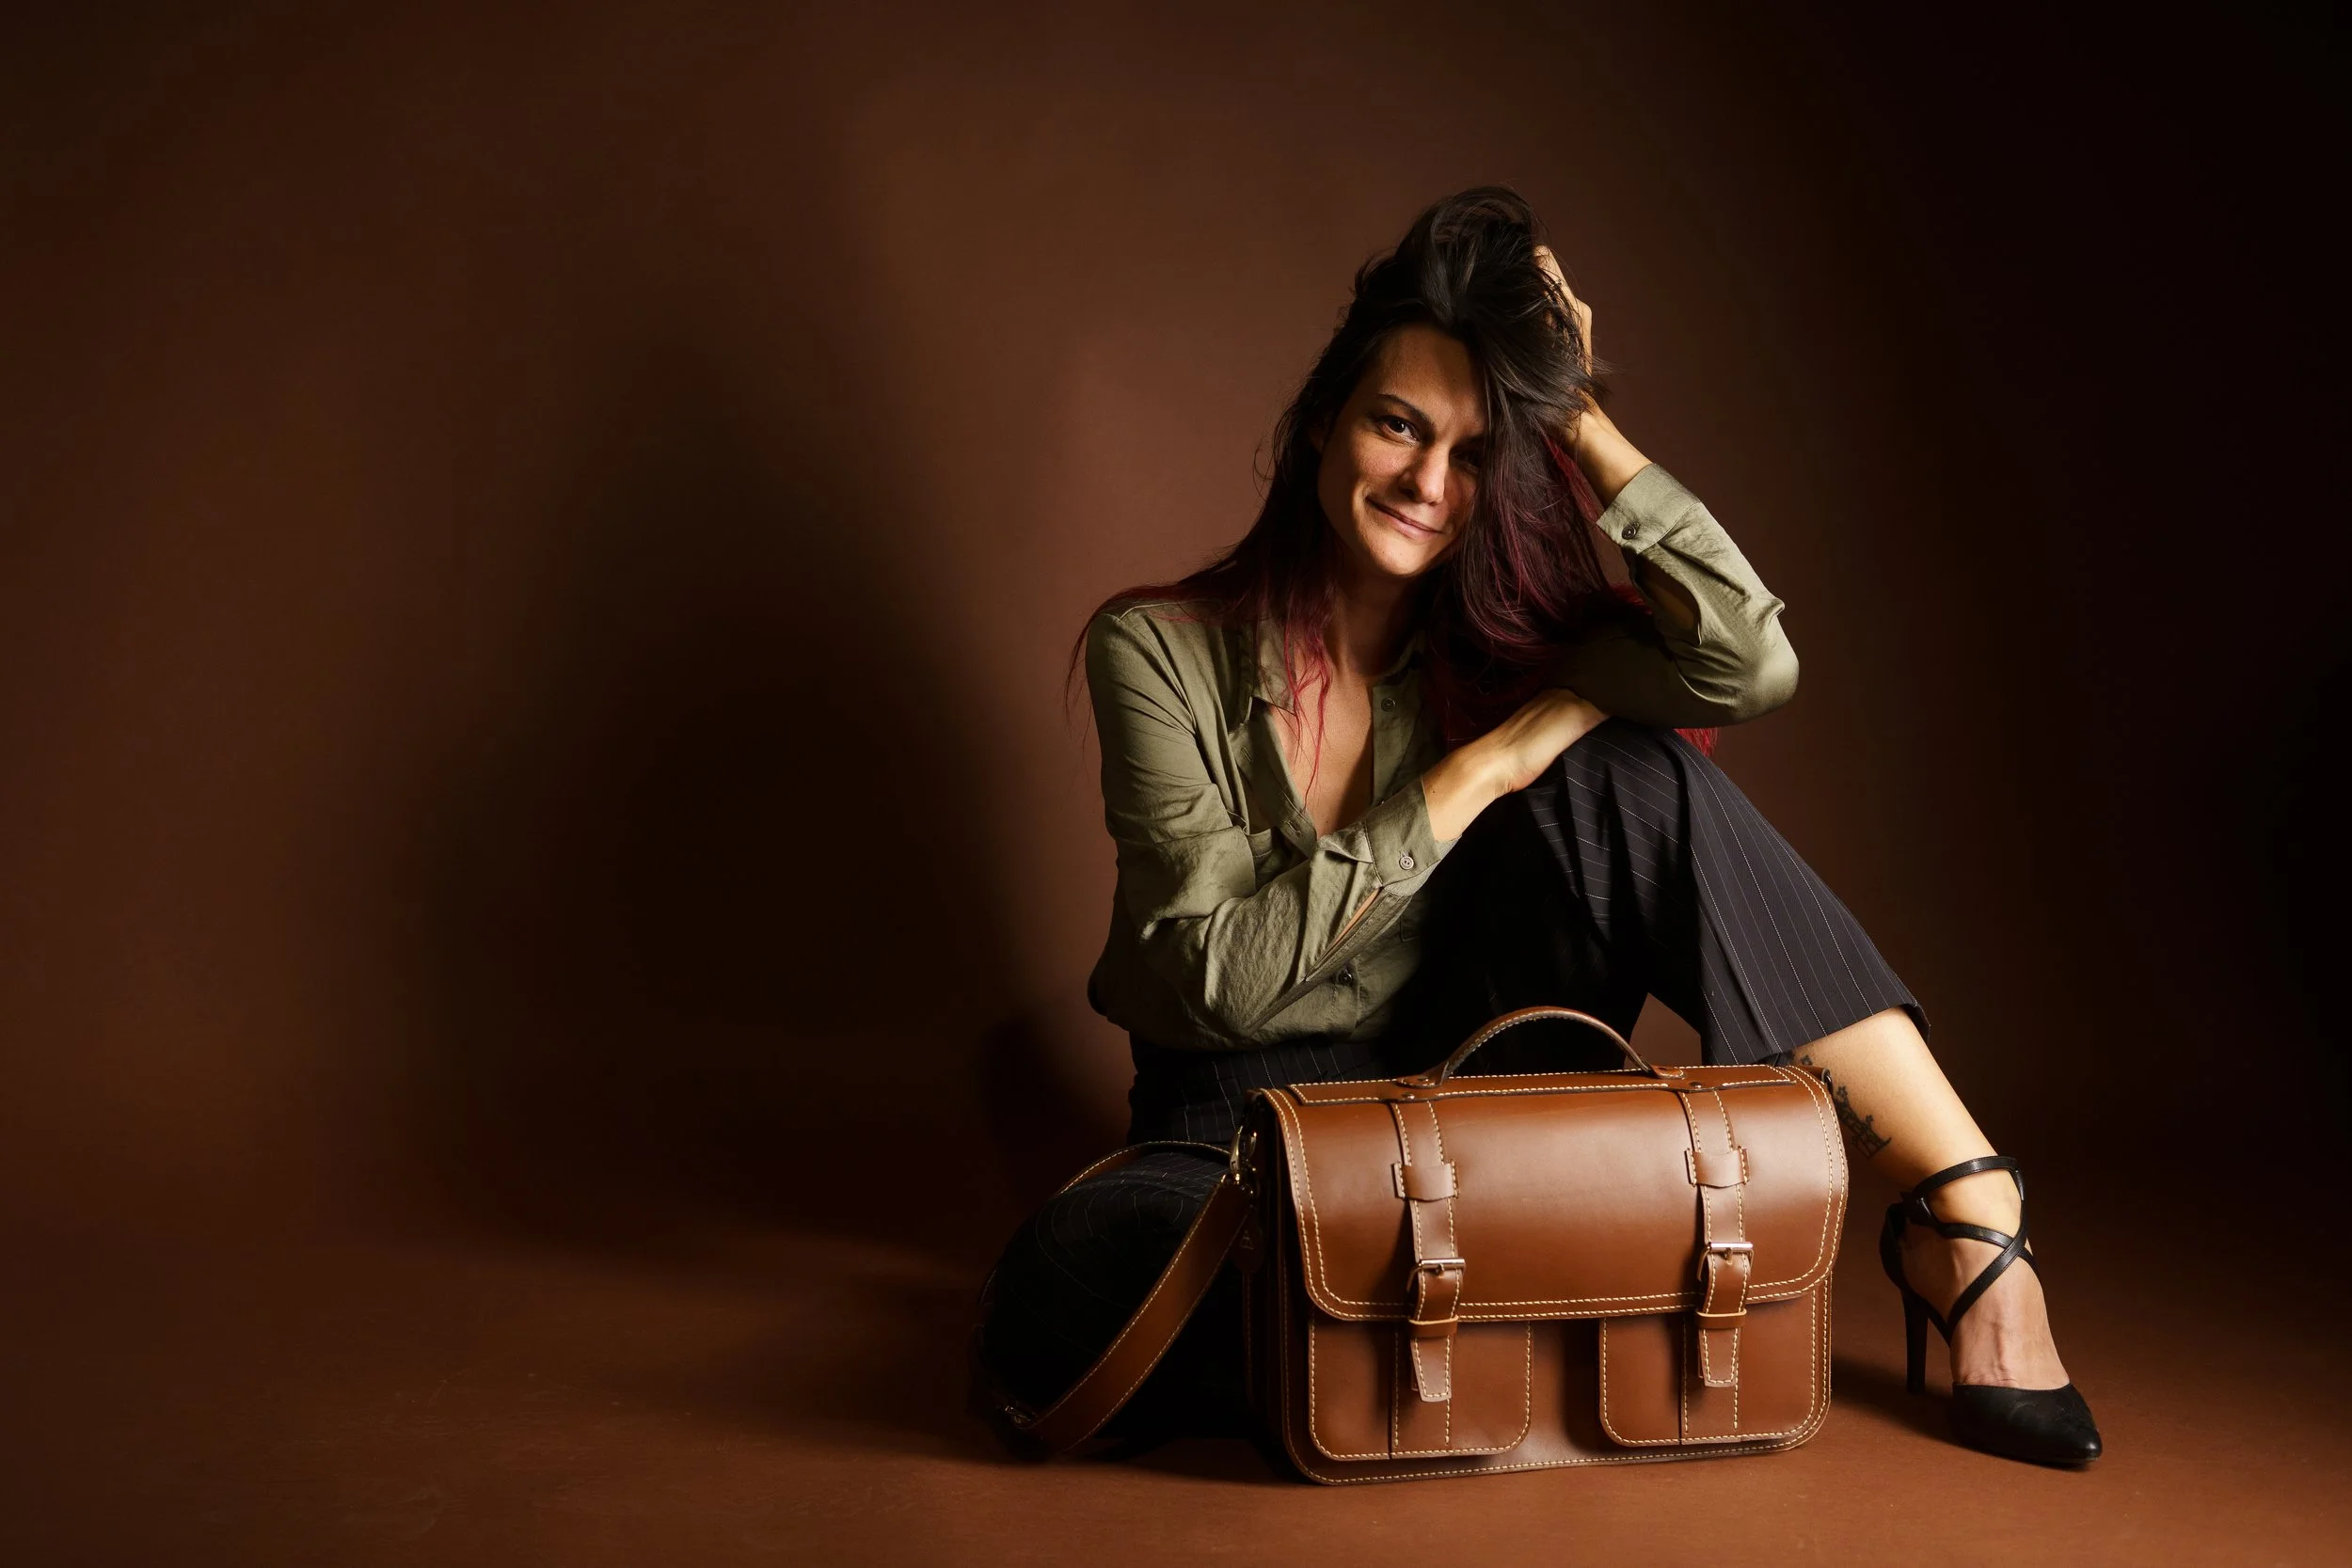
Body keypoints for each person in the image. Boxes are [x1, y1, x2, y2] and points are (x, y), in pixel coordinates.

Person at [977, 188, 2100, 1467]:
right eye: (1397, 424)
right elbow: (1216, 981)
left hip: (1462, 1110)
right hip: (1232, 1142)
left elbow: (1749, 661)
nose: (1426, 482)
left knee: (1631, 772)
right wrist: (1474, 776)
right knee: (1071, 1282)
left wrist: (1570, 408)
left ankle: (1971, 1218)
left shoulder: (1504, 650)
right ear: (1322, 426)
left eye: (1471, 452)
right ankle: (1498, 1298)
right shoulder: (1158, 652)